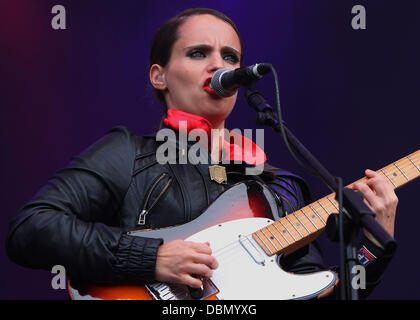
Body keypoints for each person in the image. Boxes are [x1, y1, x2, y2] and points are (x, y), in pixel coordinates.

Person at [6, 8, 398, 299]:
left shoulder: (279, 187)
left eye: (230, 57)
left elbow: (313, 293)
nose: (218, 65)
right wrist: (151, 257)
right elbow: (32, 229)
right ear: (159, 75)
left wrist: (374, 247)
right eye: (198, 53)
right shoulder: (128, 153)